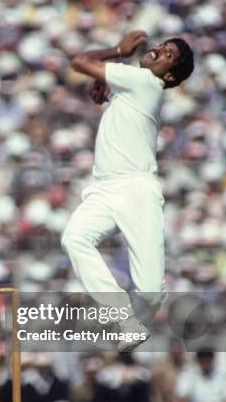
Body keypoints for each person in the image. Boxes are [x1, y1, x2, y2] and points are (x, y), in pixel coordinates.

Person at [62, 31, 194, 351]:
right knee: (74, 238)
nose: (158, 50)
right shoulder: (132, 83)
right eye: (162, 46)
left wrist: (117, 50)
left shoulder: (147, 83)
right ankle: (124, 320)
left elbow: (79, 62)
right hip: (104, 187)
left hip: (137, 188)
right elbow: (99, 90)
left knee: (149, 292)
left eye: (168, 55)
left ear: (170, 74)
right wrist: (105, 89)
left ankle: (138, 318)